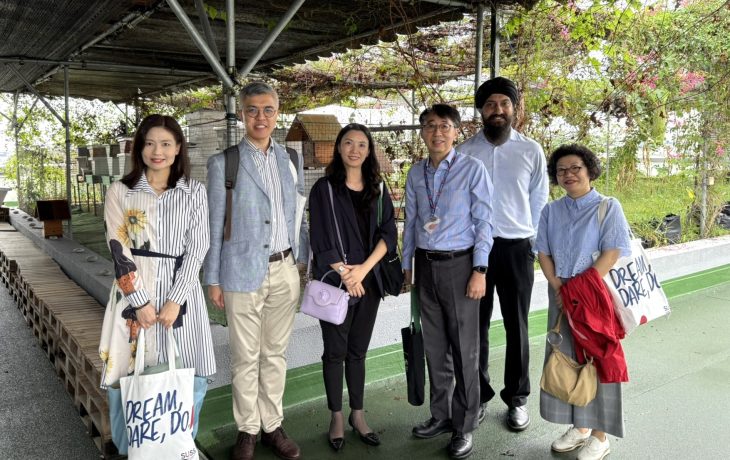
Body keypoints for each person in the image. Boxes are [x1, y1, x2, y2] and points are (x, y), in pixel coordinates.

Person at [204, 82, 308, 460]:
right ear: (242, 114)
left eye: (267, 109)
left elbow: (298, 215)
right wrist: (212, 278)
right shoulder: (223, 163)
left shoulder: (290, 161)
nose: (260, 117)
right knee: (245, 356)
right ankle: (247, 429)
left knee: (275, 353)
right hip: (240, 272)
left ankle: (272, 426)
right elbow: (214, 225)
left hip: (284, 269)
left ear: (277, 113)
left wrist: (301, 264)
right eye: (252, 110)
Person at [99, 114, 216, 409]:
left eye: (165, 143)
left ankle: (180, 448)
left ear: (178, 148)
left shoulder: (194, 192)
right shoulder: (120, 192)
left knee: (188, 373)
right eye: (149, 143)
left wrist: (176, 300)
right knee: (131, 379)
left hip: (183, 295)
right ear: (139, 148)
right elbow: (118, 248)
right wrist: (139, 302)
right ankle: (139, 449)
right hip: (134, 294)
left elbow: (198, 247)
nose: (157, 151)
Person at [457, 76, 549, 431]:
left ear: (514, 109)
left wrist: (534, 247)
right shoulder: (465, 151)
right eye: (491, 104)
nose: (498, 110)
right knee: (475, 326)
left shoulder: (531, 150)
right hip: (475, 253)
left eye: (504, 104)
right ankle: (478, 395)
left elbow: (539, 200)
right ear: (481, 110)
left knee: (517, 325)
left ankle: (517, 398)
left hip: (516, 248)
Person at [403, 104, 494, 459]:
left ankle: (465, 424)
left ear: (456, 131)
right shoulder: (415, 173)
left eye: (444, 126)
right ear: (422, 133)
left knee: (464, 350)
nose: (436, 132)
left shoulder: (472, 169)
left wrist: (480, 269)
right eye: (429, 126)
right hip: (425, 266)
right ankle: (441, 416)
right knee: (435, 348)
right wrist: (408, 265)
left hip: (461, 266)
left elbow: (485, 222)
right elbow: (411, 221)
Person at [536, 144, 632, 460]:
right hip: (561, 295)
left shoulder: (608, 207)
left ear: (589, 169)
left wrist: (577, 290)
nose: (569, 174)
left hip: (594, 299)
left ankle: (600, 436)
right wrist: (558, 287)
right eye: (561, 170)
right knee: (566, 360)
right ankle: (579, 427)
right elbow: (544, 253)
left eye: (575, 167)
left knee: (599, 361)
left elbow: (613, 252)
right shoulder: (551, 210)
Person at [308, 123, 398, 452]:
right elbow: (319, 237)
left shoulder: (379, 188)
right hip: (337, 283)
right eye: (349, 143)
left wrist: (364, 271)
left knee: (358, 351)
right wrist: (347, 275)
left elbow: (389, 234)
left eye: (362, 144)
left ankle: (357, 415)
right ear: (339, 148)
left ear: (369, 150)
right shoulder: (324, 189)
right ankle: (335, 416)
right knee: (335, 353)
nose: (355, 149)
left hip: (369, 281)